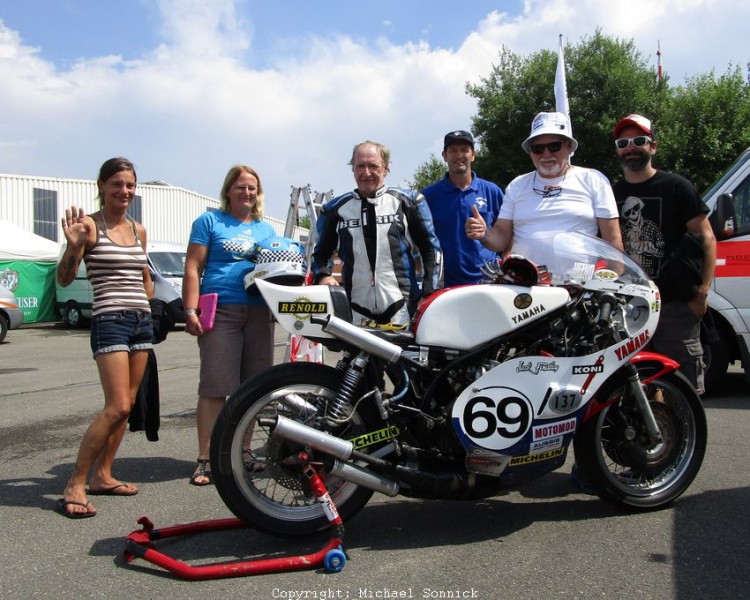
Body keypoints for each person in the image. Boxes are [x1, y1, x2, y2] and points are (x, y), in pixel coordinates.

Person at [55, 157, 153, 518]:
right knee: (118, 406)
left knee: (127, 406)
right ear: (101, 186)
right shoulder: (88, 227)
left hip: (141, 322)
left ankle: (104, 475)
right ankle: (75, 483)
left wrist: (147, 303)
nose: (124, 191)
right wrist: (72, 247)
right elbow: (64, 280)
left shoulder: (138, 230)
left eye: (129, 185)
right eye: (117, 184)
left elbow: (145, 277)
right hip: (109, 320)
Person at [182, 165, 277, 485]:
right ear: (227, 191)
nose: (246, 192)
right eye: (240, 187)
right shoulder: (209, 221)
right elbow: (193, 267)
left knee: (252, 387)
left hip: (259, 312)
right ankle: (206, 459)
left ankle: (245, 451)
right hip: (220, 309)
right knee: (215, 386)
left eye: (252, 187)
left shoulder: (267, 231)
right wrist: (190, 310)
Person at [612, 113, 717, 393]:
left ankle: (686, 436)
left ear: (653, 146)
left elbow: (707, 237)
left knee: (682, 391)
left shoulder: (676, 187)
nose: (630, 147)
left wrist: (702, 293)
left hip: (675, 306)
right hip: (630, 307)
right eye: (623, 143)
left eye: (638, 140)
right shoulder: (610, 193)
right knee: (636, 390)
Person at [311, 140, 443, 327]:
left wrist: (430, 294)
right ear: (352, 169)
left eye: (373, 166)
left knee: (402, 357)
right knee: (355, 357)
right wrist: (323, 275)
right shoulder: (334, 209)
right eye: (360, 166)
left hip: (403, 306)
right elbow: (319, 256)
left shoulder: (409, 201)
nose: (366, 173)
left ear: (385, 168)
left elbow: (431, 250)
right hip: (354, 308)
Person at [466, 111, 623, 256]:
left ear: (569, 146)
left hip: (579, 283)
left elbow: (613, 242)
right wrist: (485, 233)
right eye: (538, 148)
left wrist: (611, 280)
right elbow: (501, 237)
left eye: (554, 146)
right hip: (525, 282)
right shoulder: (517, 185)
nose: (546, 154)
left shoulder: (594, 180)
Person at [421, 130, 504, 286]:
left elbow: (508, 234)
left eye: (464, 150)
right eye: (453, 150)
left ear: (473, 154)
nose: (459, 155)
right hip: (446, 286)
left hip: (491, 282)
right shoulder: (428, 196)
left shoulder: (492, 191)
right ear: (444, 155)